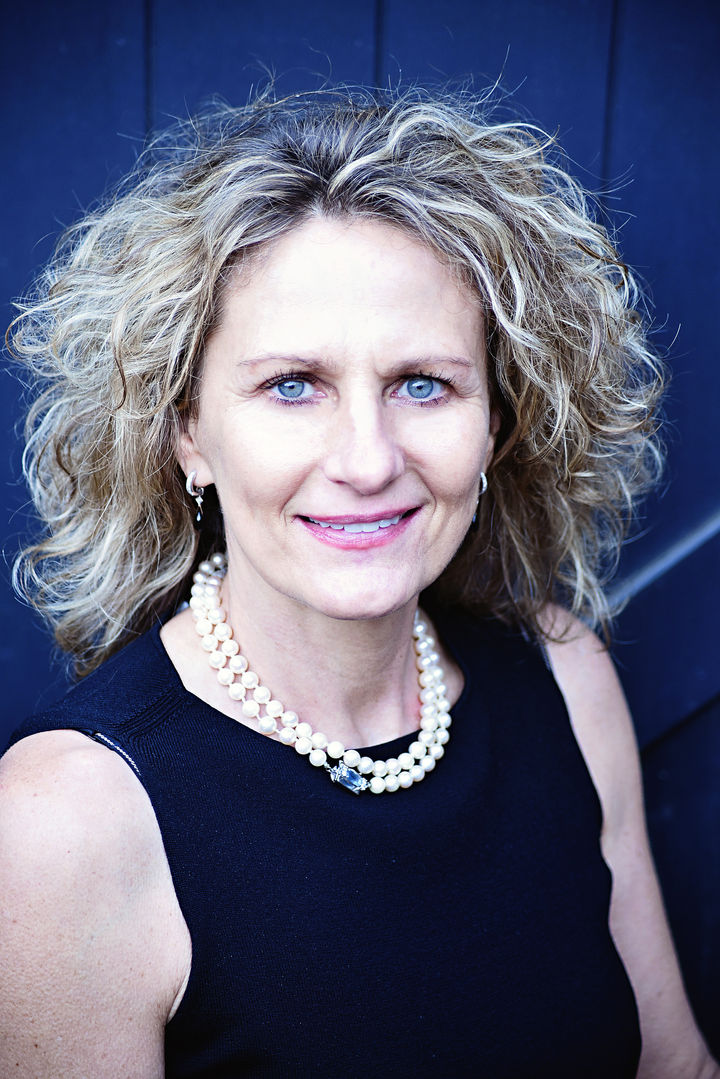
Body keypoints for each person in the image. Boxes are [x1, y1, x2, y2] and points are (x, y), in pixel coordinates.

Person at [0, 87, 716, 1079]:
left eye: (424, 383)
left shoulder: (564, 675)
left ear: (495, 423)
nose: (368, 460)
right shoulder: (64, 822)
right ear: (188, 433)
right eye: (292, 385)